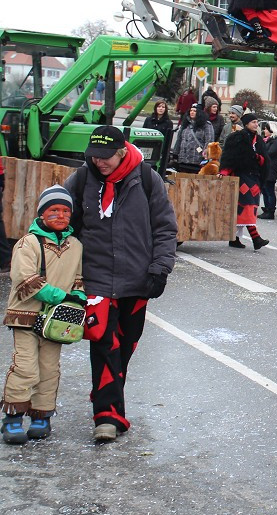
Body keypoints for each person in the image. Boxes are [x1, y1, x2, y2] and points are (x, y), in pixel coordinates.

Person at [64, 126, 177, 442]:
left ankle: (106, 390)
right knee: (104, 344)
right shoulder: (83, 178)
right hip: (96, 279)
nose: (99, 163)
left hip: (137, 278)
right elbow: (60, 215)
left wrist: (160, 269)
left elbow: (165, 229)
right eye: (94, 157)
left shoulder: (146, 178)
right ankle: (107, 416)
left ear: (122, 152)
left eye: (105, 158)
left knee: (126, 346)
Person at [2, 186, 85, 444]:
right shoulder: (28, 242)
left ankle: (42, 415)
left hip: (56, 322)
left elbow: (78, 279)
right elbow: (24, 280)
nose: (60, 216)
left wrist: (79, 296)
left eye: (65, 211)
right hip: (26, 316)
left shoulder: (75, 246)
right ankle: (13, 417)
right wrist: (63, 297)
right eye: (54, 210)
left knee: (49, 369)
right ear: (42, 213)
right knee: (26, 367)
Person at [219, 113, 271, 251]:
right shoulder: (237, 138)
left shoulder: (258, 140)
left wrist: (259, 159)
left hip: (255, 177)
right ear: (246, 123)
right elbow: (230, 157)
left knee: (247, 207)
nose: (256, 124)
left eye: (257, 122)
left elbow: (264, 159)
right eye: (253, 122)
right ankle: (256, 238)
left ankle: (234, 238)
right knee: (247, 205)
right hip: (242, 176)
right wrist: (224, 172)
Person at [175, 105, 214, 173]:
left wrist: (206, 153)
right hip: (183, 159)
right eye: (191, 110)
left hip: (197, 160)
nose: (192, 112)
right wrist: (175, 153)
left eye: (194, 111)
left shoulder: (206, 125)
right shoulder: (185, 124)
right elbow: (179, 139)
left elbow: (209, 140)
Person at [259, 122, 277, 220]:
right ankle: (267, 208)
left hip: (270, 168)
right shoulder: (266, 140)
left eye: (266, 129)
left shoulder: (276, 141)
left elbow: (270, 153)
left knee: (269, 190)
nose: (264, 131)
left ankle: (270, 210)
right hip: (265, 168)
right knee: (264, 189)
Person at [143, 101, 173, 173]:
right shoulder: (148, 120)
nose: (161, 109)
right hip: (147, 149)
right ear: (155, 108)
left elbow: (168, 139)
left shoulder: (168, 123)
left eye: (163, 107)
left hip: (160, 149)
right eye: (159, 107)